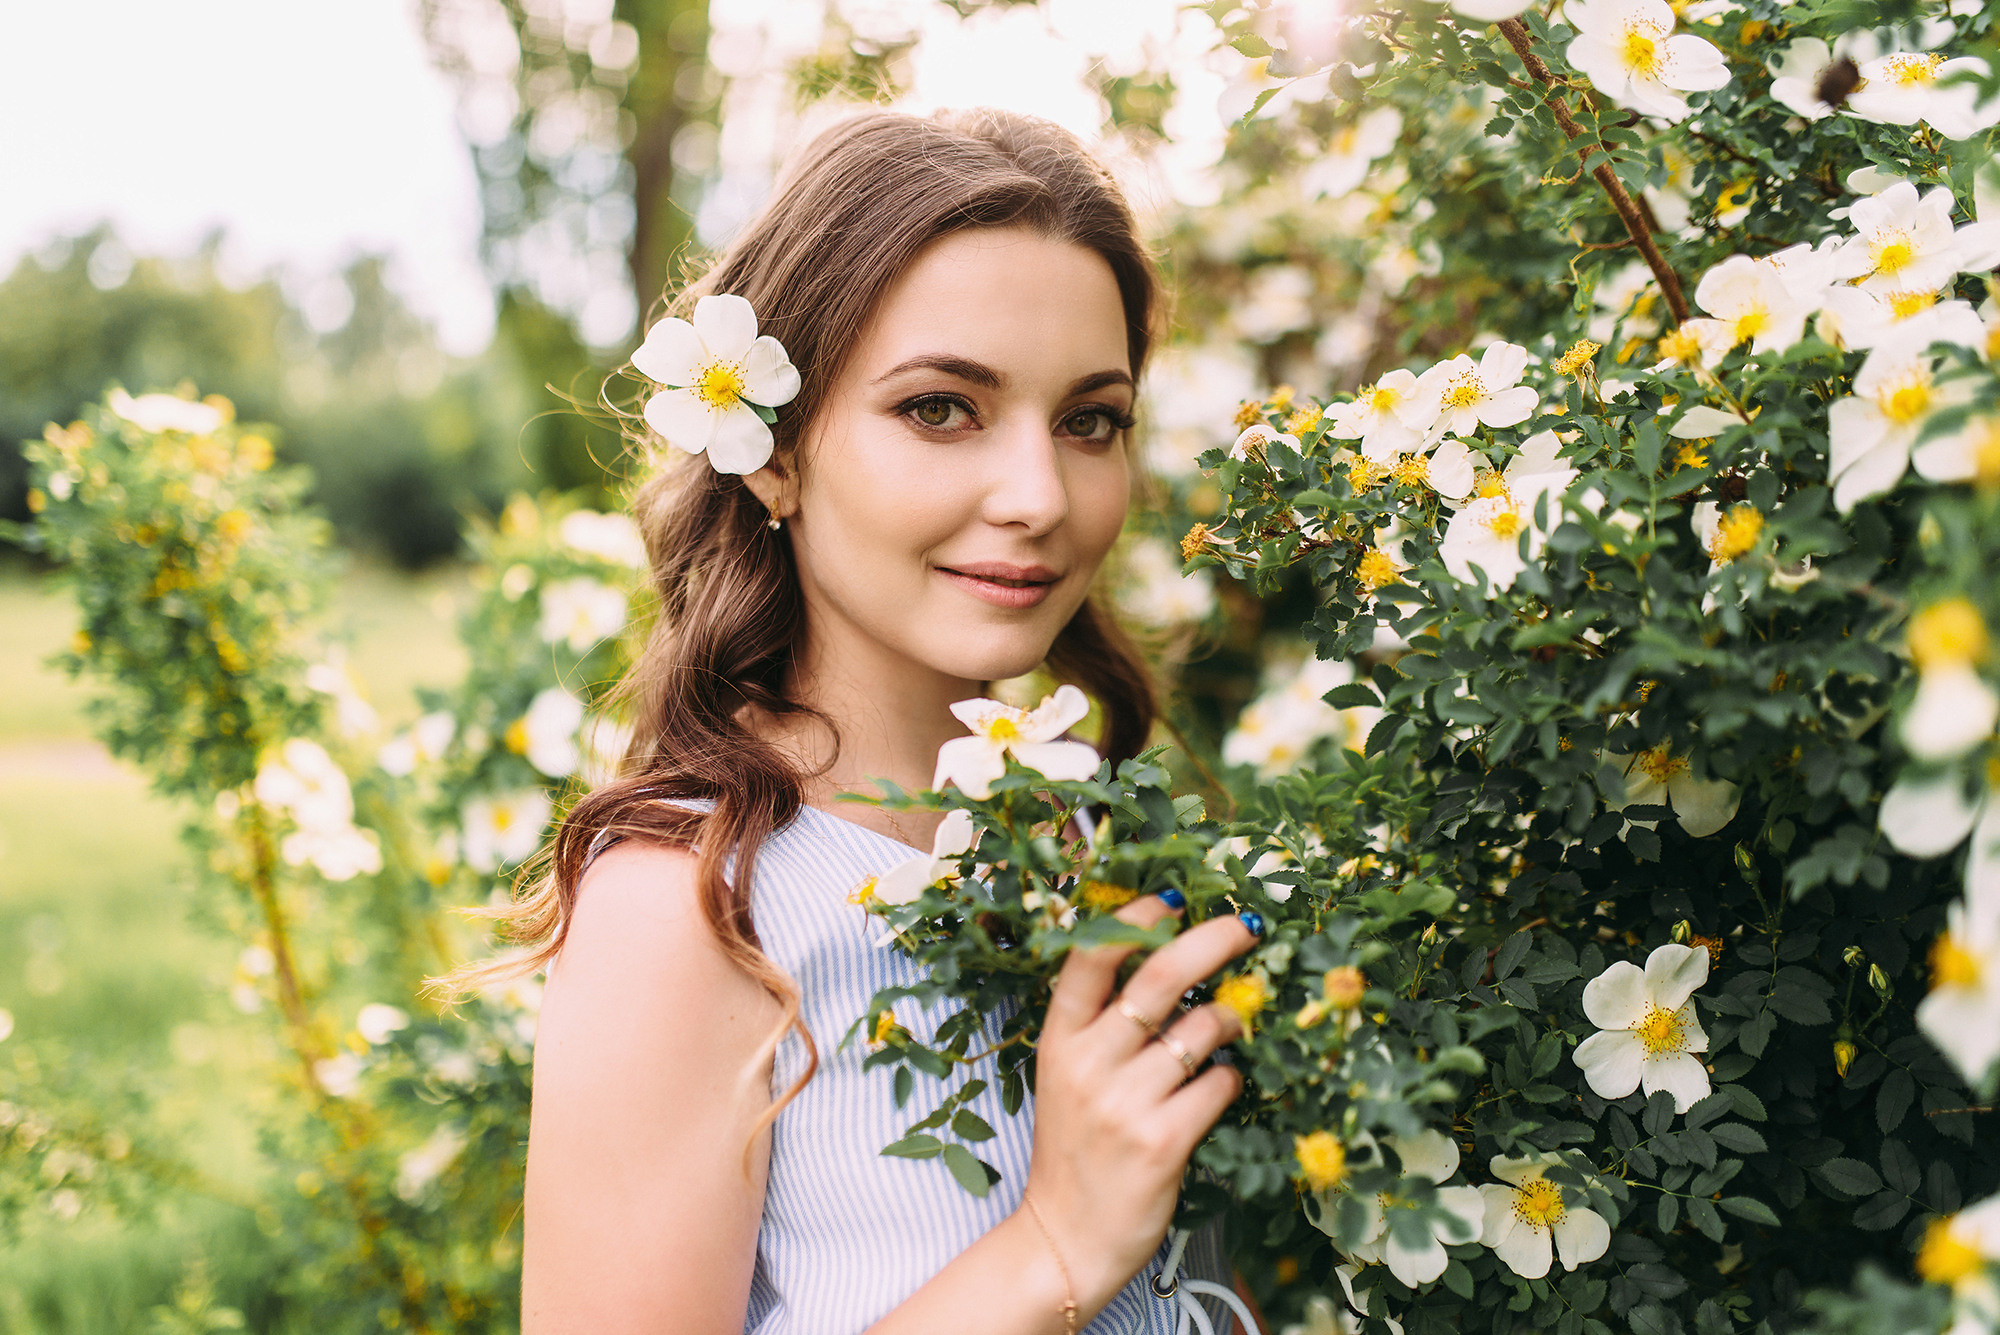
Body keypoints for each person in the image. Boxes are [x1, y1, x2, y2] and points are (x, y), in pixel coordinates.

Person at [490, 108, 1260, 1333]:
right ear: (774, 453)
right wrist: (1054, 1244)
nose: (1037, 497)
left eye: (1088, 419)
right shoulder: (694, 907)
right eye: (940, 408)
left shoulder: (1087, 839)